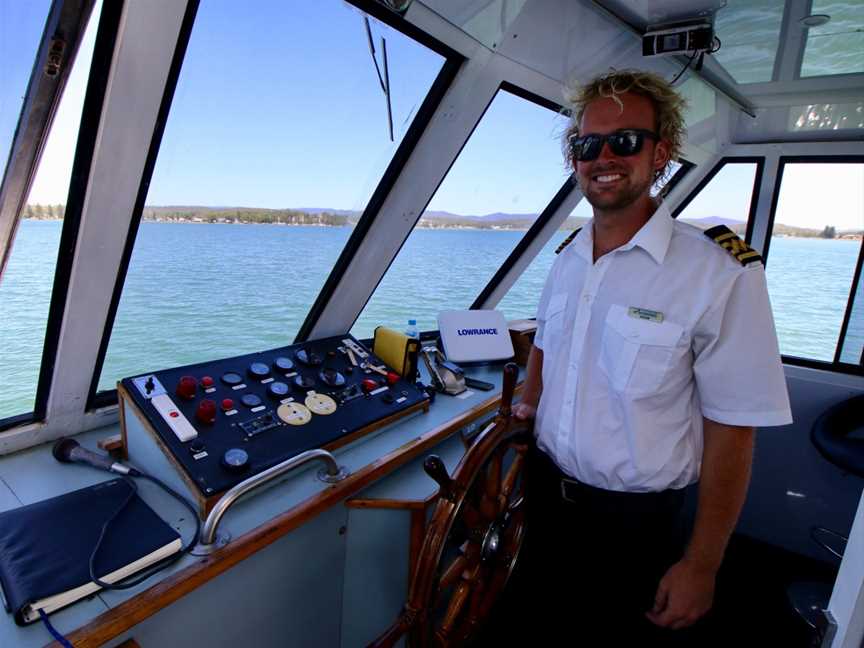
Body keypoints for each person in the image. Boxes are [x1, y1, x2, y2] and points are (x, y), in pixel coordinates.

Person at [509, 69, 793, 644]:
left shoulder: (717, 273)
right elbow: (544, 337)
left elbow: (734, 430)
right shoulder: (568, 257)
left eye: (626, 141)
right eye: (587, 145)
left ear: (661, 152)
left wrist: (702, 564)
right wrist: (529, 396)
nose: (604, 156)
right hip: (544, 499)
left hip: (632, 525)